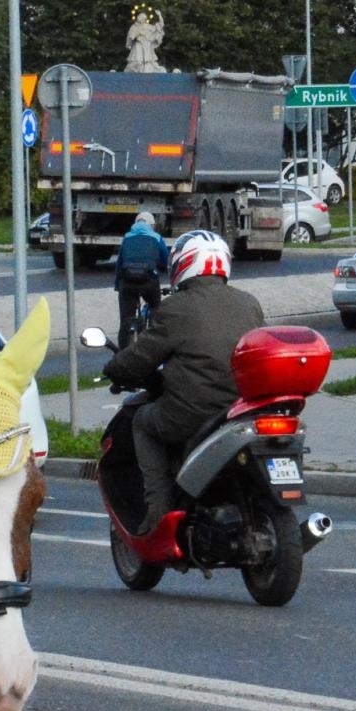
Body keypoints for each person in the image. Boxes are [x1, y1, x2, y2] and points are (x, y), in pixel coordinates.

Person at [102, 230, 265, 533]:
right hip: (242, 408)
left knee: (143, 423)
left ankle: (158, 511)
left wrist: (114, 367)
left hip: (194, 411)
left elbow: (142, 355)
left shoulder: (175, 307)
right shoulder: (249, 303)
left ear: (183, 264)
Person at [114, 211, 168, 349]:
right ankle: (154, 341)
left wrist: (117, 284)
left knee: (126, 319)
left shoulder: (127, 237)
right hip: (148, 280)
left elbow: (119, 263)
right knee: (155, 306)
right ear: (151, 225)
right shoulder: (156, 237)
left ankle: (123, 351)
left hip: (127, 281)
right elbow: (165, 259)